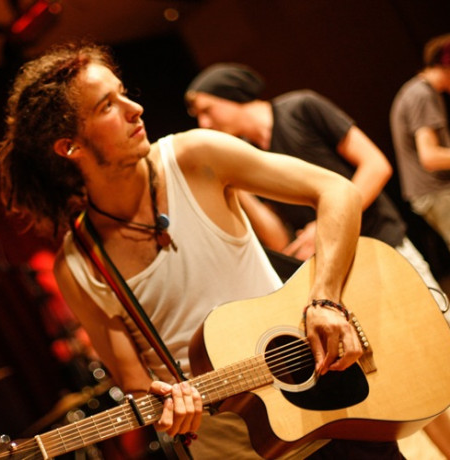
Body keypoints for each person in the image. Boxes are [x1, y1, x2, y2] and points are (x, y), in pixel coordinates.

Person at [0, 42, 406, 459]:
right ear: (70, 147)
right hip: (238, 452)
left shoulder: (194, 157)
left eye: (123, 93)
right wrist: (167, 406)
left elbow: (336, 190)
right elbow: (137, 387)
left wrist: (325, 300)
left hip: (333, 406)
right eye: (107, 106)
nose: (135, 108)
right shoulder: (79, 265)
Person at [185, 62, 450, 457]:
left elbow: (376, 164)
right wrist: (236, 192)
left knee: (440, 352)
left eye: (208, 110)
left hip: (382, 252)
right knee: (409, 384)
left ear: (233, 94)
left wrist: (328, 223)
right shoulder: (248, 160)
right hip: (337, 279)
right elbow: (281, 241)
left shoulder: (301, 107)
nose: (205, 124)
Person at [390, 33, 450, 255]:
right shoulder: (422, 95)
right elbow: (430, 157)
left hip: (431, 191)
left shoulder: (420, 91)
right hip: (436, 191)